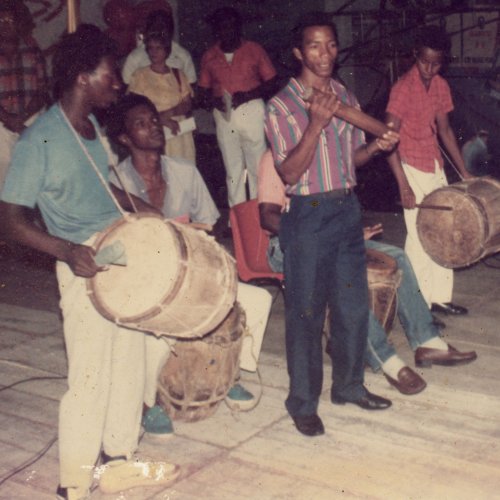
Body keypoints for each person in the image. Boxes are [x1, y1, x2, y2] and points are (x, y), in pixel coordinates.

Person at [0, 26, 180, 500]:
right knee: (90, 375)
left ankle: (118, 459)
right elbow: (10, 221)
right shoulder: (41, 138)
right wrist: (66, 251)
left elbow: (103, 186)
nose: (118, 85)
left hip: (121, 254)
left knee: (131, 361)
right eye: (111, 75)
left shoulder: (92, 129)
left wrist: (145, 210)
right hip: (83, 264)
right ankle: (74, 481)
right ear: (83, 78)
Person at [265, 12, 400, 437]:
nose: (325, 54)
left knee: (352, 306)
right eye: (315, 46)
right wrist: (317, 123)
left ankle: (348, 386)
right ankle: (302, 402)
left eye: (331, 45)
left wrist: (376, 146)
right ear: (298, 52)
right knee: (305, 314)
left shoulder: (343, 93)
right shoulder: (281, 105)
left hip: (345, 209)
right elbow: (288, 173)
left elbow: (351, 160)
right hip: (306, 215)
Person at [106, 92, 273, 436]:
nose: (154, 127)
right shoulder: (116, 183)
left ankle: (231, 375)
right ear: (124, 138)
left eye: (154, 120)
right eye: (141, 123)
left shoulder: (184, 171)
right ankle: (147, 404)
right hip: (145, 286)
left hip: (190, 276)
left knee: (258, 301)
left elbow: (210, 225)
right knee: (152, 339)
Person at [258, 150, 477, 396]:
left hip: (330, 238)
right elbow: (268, 217)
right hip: (287, 245)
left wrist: (350, 233)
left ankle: (427, 341)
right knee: (341, 277)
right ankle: (387, 361)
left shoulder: (323, 149)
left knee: (397, 257)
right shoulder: (276, 155)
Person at [385, 25, 471, 317]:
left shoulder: (440, 85)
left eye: (436, 63)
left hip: (433, 164)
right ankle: (417, 306)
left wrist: (464, 173)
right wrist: (402, 185)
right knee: (421, 237)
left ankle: (439, 298)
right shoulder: (402, 90)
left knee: (444, 231)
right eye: (425, 61)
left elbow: (445, 130)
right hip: (410, 166)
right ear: (415, 56)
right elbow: (388, 141)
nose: (430, 68)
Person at [198, 6, 279, 208]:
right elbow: (203, 90)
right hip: (224, 115)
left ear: (238, 27)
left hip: (251, 109)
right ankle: (236, 218)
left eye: (231, 26)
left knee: (257, 166)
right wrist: (212, 101)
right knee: (232, 168)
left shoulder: (254, 49)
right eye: (222, 27)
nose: (227, 31)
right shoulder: (209, 56)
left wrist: (249, 94)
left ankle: (260, 212)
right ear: (216, 30)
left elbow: (273, 81)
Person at [0, 0, 48, 190]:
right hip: (1, 124)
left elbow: (42, 91)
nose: (4, 25)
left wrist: (22, 118)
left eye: (9, 20)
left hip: (30, 119)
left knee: (33, 173)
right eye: (0, 20)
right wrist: (7, 119)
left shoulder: (33, 52)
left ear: (19, 23)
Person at [128, 30, 196, 162]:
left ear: (167, 51)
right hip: (154, 130)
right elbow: (135, 107)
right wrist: (161, 120)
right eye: (150, 48)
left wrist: (167, 114)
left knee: (184, 171)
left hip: (179, 131)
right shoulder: (140, 75)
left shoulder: (178, 74)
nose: (154, 52)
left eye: (158, 48)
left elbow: (187, 103)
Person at [122, 7, 196, 86]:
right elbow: (127, 88)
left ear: (170, 29)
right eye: (155, 27)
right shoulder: (135, 57)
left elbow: (191, 87)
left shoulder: (183, 55)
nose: (159, 31)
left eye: (163, 27)